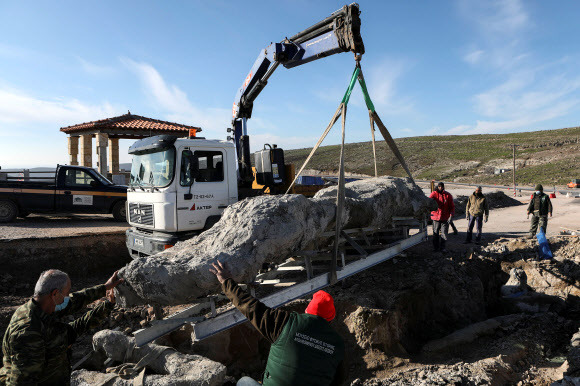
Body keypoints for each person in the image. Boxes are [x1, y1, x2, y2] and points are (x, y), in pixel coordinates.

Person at [210, 261, 345, 386]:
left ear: (307, 311)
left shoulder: (285, 323)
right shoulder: (338, 345)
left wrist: (226, 282)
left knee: (244, 381)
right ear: (330, 319)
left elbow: (250, 307)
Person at [0, 269, 123, 385]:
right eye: (66, 293)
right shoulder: (29, 334)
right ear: (55, 294)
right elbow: (22, 382)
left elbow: (77, 304)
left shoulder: (45, 307)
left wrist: (105, 290)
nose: (68, 297)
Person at [429, 182, 455, 252]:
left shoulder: (448, 195)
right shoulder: (434, 194)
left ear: (443, 187)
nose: (440, 187)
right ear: (437, 187)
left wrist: (451, 215)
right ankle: (436, 248)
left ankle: (443, 248)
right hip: (436, 217)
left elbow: (452, 206)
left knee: (444, 234)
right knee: (435, 233)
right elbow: (429, 203)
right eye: (439, 186)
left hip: (445, 217)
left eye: (441, 186)